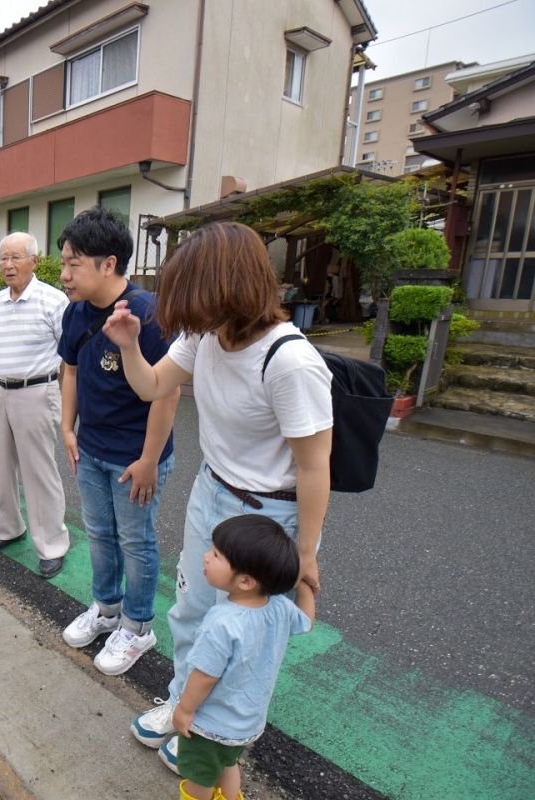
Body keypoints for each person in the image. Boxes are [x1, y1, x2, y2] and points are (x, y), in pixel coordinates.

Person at [103, 221, 332, 773]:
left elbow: (313, 466)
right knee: (191, 610)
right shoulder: (205, 334)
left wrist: (305, 552)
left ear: (224, 289)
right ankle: (184, 705)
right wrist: (131, 346)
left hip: (266, 514)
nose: (182, 314)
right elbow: (154, 386)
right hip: (212, 491)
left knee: (243, 632)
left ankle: (215, 730)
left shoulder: (291, 363)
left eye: (190, 296)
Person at [56, 206, 180, 676]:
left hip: (136, 457)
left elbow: (166, 393)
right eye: (64, 262)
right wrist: (68, 428)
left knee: (136, 540)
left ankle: (138, 626)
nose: (64, 274)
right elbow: (69, 370)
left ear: (108, 264)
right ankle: (106, 610)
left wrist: (150, 459)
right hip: (91, 450)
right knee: (101, 535)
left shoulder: (147, 313)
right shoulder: (75, 313)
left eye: (74, 263)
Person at [172, 515, 316, 800]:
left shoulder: (222, 621)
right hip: (247, 723)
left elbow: (205, 675)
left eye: (216, 555)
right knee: (228, 764)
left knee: (198, 779)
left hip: (209, 724)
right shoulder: (278, 608)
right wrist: (304, 586)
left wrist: (185, 709)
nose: (206, 557)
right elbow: (307, 621)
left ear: (247, 581)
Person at [0, 232, 71, 578]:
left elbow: (69, 356)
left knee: (38, 468)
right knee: (2, 463)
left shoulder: (53, 301)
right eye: (3, 258)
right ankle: (9, 528)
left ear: (34, 261)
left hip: (37, 391)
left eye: (16, 257)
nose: (8, 265)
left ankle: (52, 543)